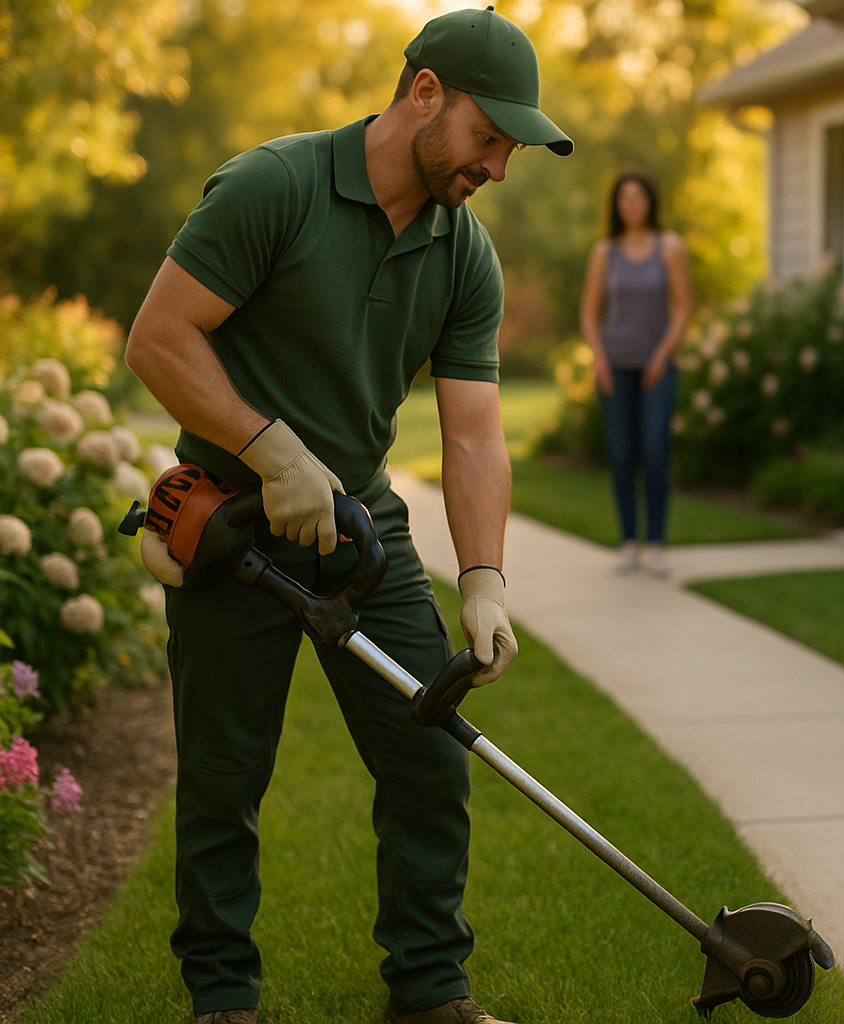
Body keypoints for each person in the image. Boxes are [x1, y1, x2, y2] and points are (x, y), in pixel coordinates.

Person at [124, 9, 572, 1024]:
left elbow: (472, 435)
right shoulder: (273, 188)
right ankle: (223, 997)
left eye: (510, 146)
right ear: (423, 93)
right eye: (487, 135)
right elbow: (157, 340)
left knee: (428, 752)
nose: (497, 165)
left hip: (363, 528)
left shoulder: (466, 253)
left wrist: (485, 577)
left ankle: (430, 993)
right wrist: (270, 448)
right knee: (225, 776)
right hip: (233, 530)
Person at [578, 171, 693, 578]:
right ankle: (630, 542)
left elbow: (683, 309)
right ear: (616, 205)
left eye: (638, 196)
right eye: (624, 198)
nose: (632, 204)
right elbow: (590, 315)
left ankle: (657, 543)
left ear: (650, 201)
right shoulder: (604, 253)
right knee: (622, 455)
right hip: (616, 368)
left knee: (656, 452)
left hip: (656, 369)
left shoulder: (670, 247)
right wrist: (600, 358)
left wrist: (662, 355)